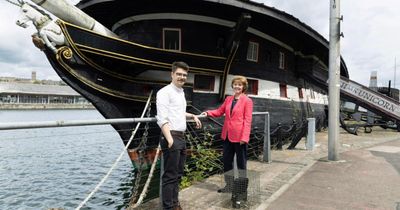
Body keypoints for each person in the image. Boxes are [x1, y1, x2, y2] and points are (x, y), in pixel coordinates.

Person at [156, 61, 202, 210]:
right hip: (172, 137)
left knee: (178, 174)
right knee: (170, 176)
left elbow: (178, 112)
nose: (182, 77)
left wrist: (193, 116)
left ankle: (175, 204)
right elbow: (162, 118)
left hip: (181, 137)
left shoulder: (180, 92)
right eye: (179, 74)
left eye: (184, 75)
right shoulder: (164, 92)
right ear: (172, 74)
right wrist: (169, 139)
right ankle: (168, 207)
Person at [201, 75, 253, 206]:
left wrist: (244, 137)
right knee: (226, 162)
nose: (237, 87)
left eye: (239, 85)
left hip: (240, 138)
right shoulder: (229, 99)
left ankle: (241, 193)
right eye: (235, 84)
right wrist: (208, 113)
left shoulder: (247, 101)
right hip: (227, 136)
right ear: (233, 86)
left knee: (241, 166)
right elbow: (219, 111)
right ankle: (229, 186)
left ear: (243, 87)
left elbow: (247, 121)